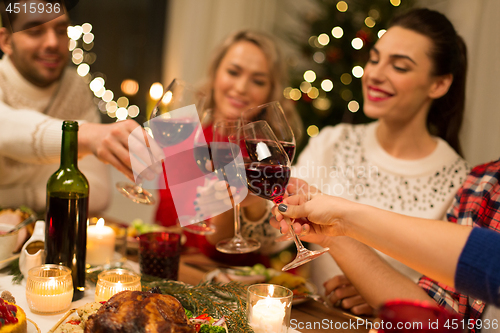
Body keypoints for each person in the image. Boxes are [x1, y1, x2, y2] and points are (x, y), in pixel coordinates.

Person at [282, 7, 470, 315]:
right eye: (374, 59)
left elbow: (451, 309)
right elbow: (271, 234)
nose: (374, 74)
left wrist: (380, 292)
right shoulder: (333, 141)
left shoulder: (462, 184)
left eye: (399, 66)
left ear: (439, 84)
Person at [272, 158, 500, 322]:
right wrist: (331, 234)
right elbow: (440, 317)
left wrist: (343, 217)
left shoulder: (463, 176)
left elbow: (491, 263)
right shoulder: (484, 183)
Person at [154, 29, 303, 263]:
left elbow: (251, 249)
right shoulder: (186, 134)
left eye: (258, 80)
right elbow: (165, 221)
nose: (241, 87)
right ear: (215, 75)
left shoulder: (267, 155)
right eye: (233, 72)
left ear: (269, 91)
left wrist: (241, 208)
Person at [0, 0, 161, 214]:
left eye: (61, 30)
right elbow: (6, 128)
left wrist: (14, 200)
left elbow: (98, 192)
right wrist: (85, 135)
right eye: (35, 31)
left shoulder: (74, 86)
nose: (52, 42)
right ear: (6, 41)